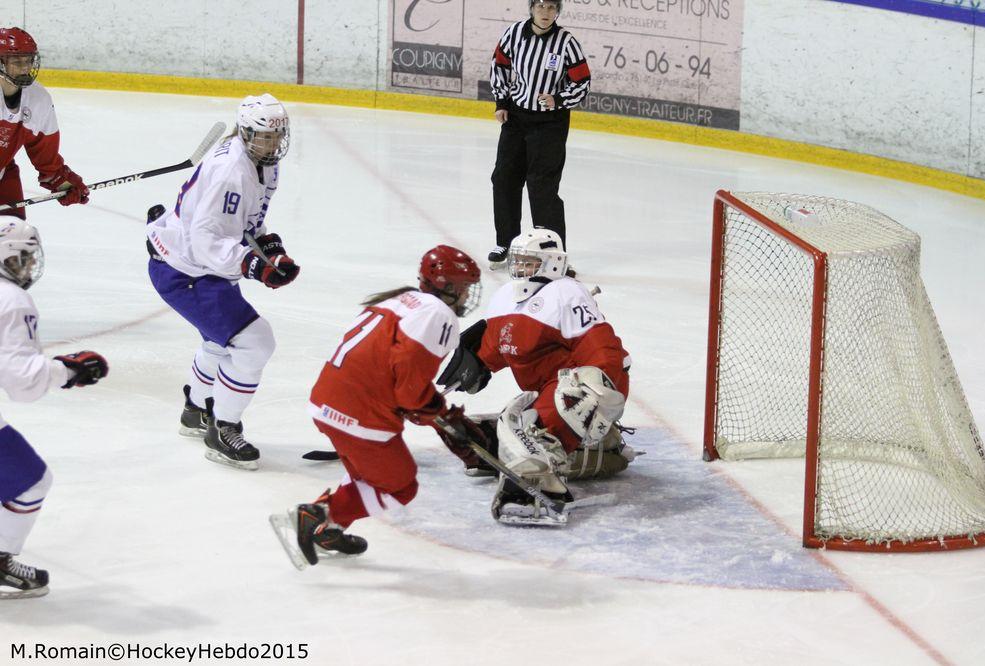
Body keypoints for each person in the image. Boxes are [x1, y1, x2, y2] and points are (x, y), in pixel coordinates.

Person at [271, 246, 485, 568]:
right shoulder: (437, 314)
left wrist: (433, 412)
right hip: (360, 413)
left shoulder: (399, 299)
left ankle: (327, 529)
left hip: (328, 400)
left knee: (367, 477)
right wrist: (438, 412)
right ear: (448, 286)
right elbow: (410, 391)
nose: (468, 295)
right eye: (465, 287)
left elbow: (395, 375)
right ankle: (316, 515)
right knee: (401, 484)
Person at [436, 229, 635, 525]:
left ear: (552, 262)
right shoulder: (507, 296)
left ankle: (539, 484)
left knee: (541, 418)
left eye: (528, 262)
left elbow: (602, 349)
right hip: (543, 394)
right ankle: (509, 452)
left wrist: (600, 387)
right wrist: (476, 364)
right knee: (500, 426)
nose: (520, 268)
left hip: (573, 392)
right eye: (517, 261)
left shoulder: (567, 292)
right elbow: (499, 343)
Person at [145, 93, 299, 471]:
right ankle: (222, 428)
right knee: (253, 342)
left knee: (221, 340)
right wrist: (254, 267)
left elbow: (247, 221)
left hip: (195, 266)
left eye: (278, 136)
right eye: (266, 136)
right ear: (246, 133)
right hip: (186, 271)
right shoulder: (231, 171)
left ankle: (196, 411)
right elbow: (206, 241)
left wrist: (270, 251)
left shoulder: (260, 161)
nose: (274, 143)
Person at [0, 220, 108, 598]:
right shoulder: (11, 300)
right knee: (30, 482)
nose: (28, 266)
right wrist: (71, 370)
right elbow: (22, 383)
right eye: (23, 257)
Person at [487, 0, 591, 269]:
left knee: (542, 186)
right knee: (504, 178)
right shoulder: (514, 33)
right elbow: (500, 65)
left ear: (558, 11)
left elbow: (582, 82)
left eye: (552, 8)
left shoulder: (566, 43)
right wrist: (501, 101)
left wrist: (558, 98)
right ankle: (507, 242)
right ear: (532, 8)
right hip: (517, 117)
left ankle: (553, 254)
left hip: (550, 123)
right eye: (541, 6)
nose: (546, 13)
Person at [0, 27, 90, 218]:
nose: (25, 67)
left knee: (16, 240)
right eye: (17, 61)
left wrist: (63, 182)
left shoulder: (38, 100)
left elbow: (46, 157)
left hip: (2, 174)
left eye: (28, 60)